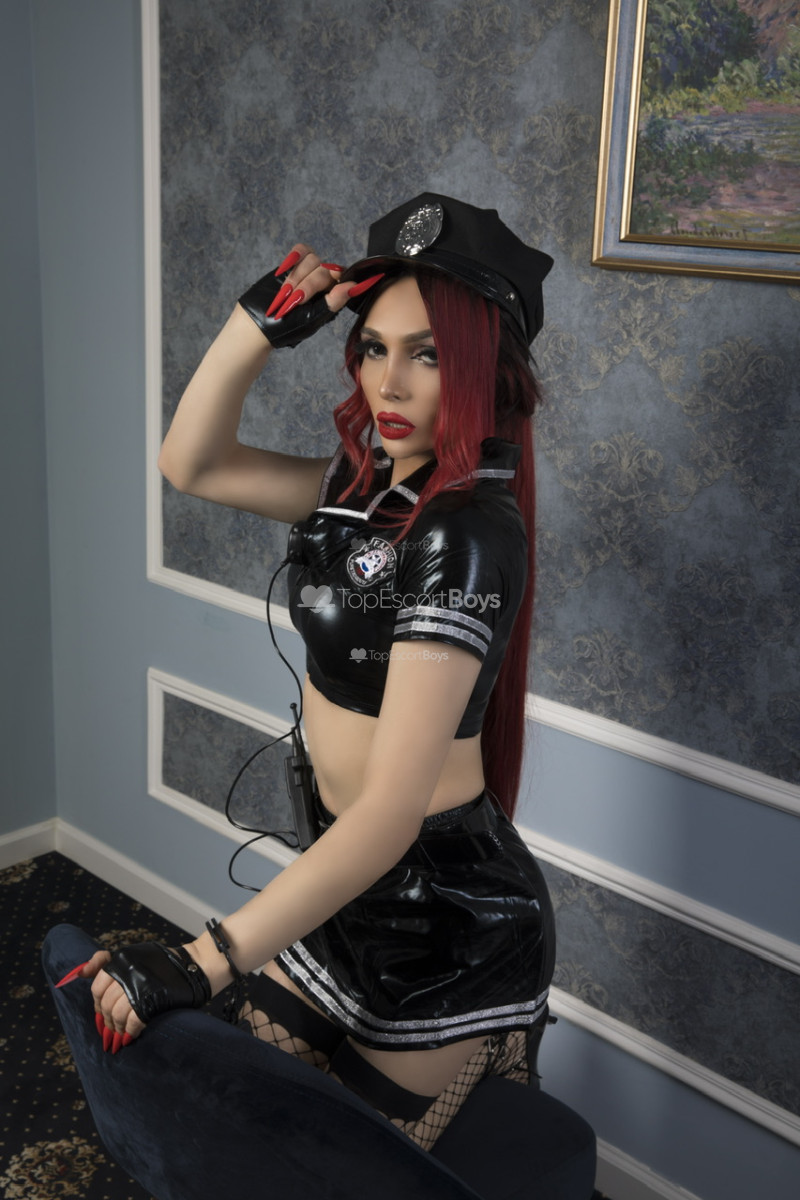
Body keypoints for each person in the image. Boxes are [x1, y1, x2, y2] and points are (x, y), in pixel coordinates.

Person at [59, 194, 557, 1151]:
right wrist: (255, 327)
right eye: (373, 348)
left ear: (486, 372)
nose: (389, 383)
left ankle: (491, 1050)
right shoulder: (356, 492)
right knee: (245, 1135)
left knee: (329, 1173)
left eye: (427, 355)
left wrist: (205, 959)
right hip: (344, 887)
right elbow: (192, 464)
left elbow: (391, 813)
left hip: (445, 923)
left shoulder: (466, 534)